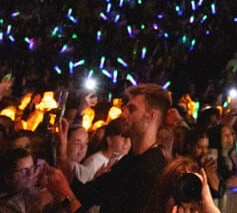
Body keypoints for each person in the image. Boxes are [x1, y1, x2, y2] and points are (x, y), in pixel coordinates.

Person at [63, 84, 171, 213]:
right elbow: (89, 193)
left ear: (150, 116)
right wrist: (62, 155)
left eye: (132, 109)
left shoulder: (153, 170)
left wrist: (66, 197)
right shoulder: (129, 161)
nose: (124, 113)